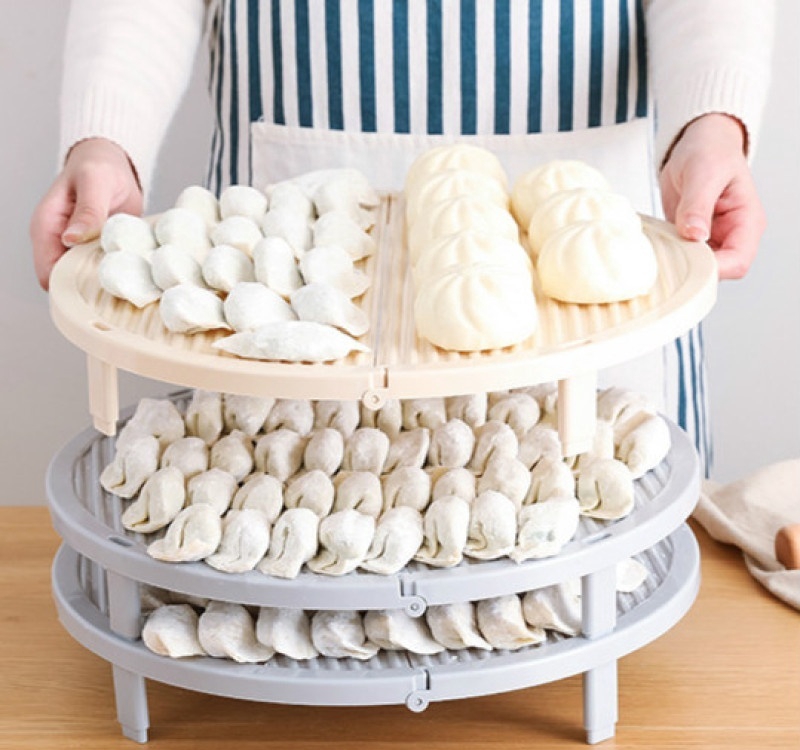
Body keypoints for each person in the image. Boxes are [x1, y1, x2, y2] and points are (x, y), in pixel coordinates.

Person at [30, 0, 774, 473]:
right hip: (291, 239)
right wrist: (107, 139)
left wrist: (711, 124)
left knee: (605, 536)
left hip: (589, 255)